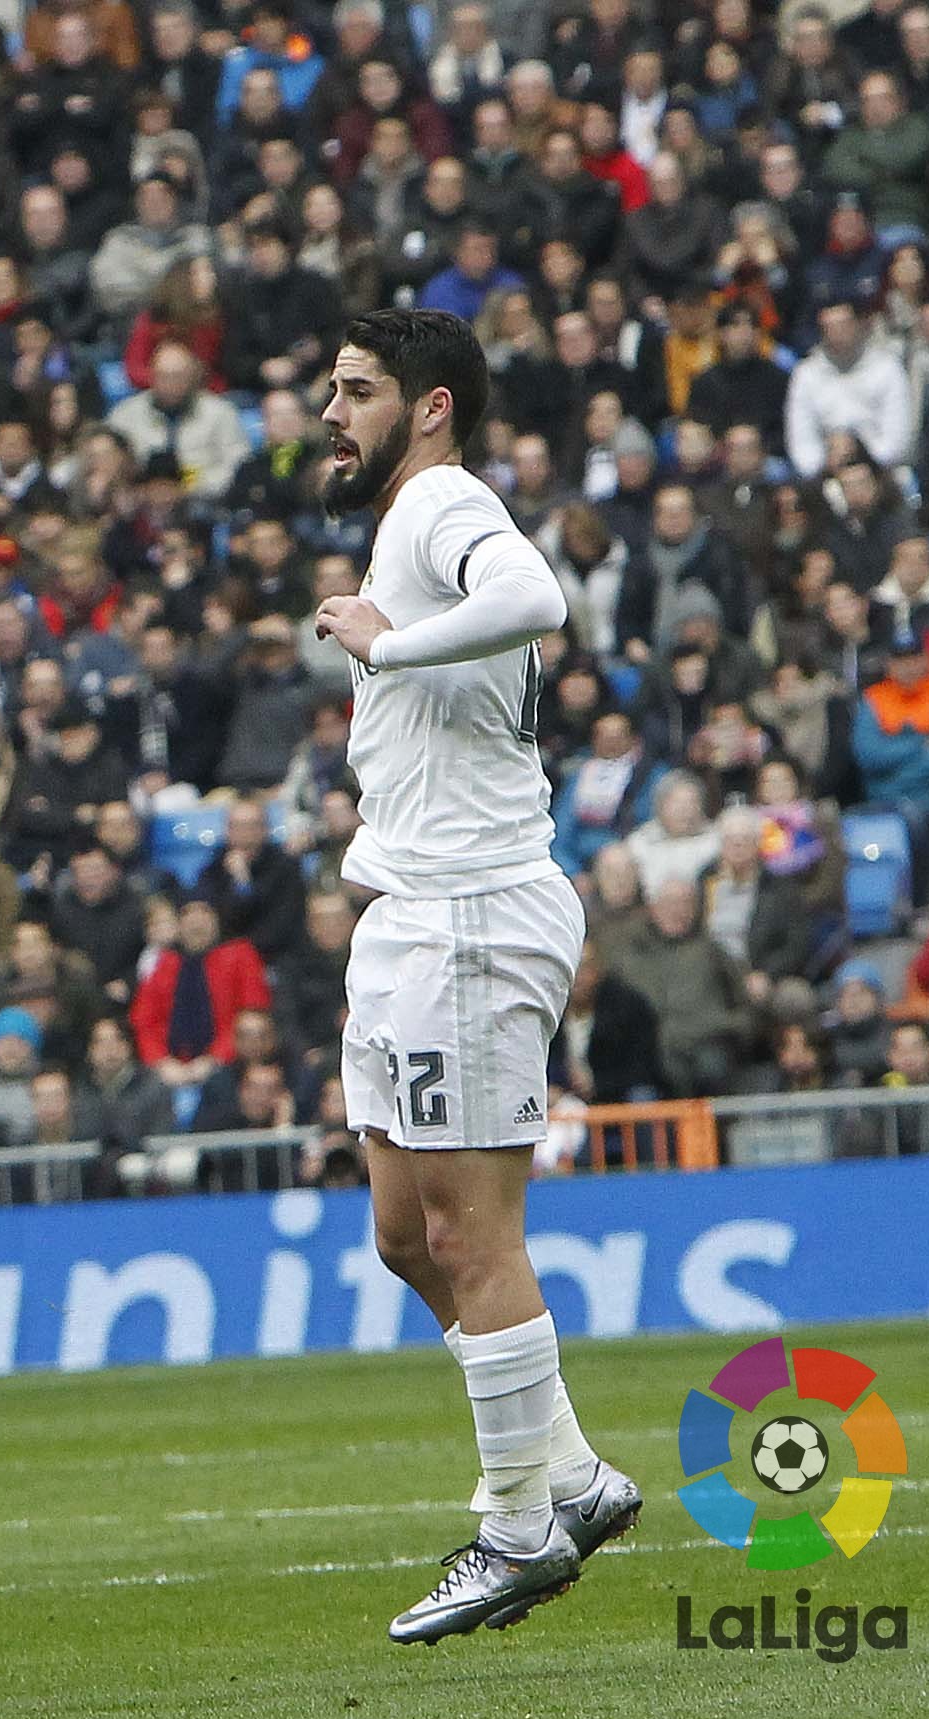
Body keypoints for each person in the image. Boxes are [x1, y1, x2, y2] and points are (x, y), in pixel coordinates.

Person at [309, 309, 636, 1643]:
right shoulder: (405, 519)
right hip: (408, 908)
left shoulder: (440, 495)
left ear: (431, 405)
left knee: (467, 1234)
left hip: (469, 914)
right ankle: (569, 1474)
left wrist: (383, 644)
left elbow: (536, 599)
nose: (332, 415)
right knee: (400, 1233)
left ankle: (517, 1529)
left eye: (357, 390)